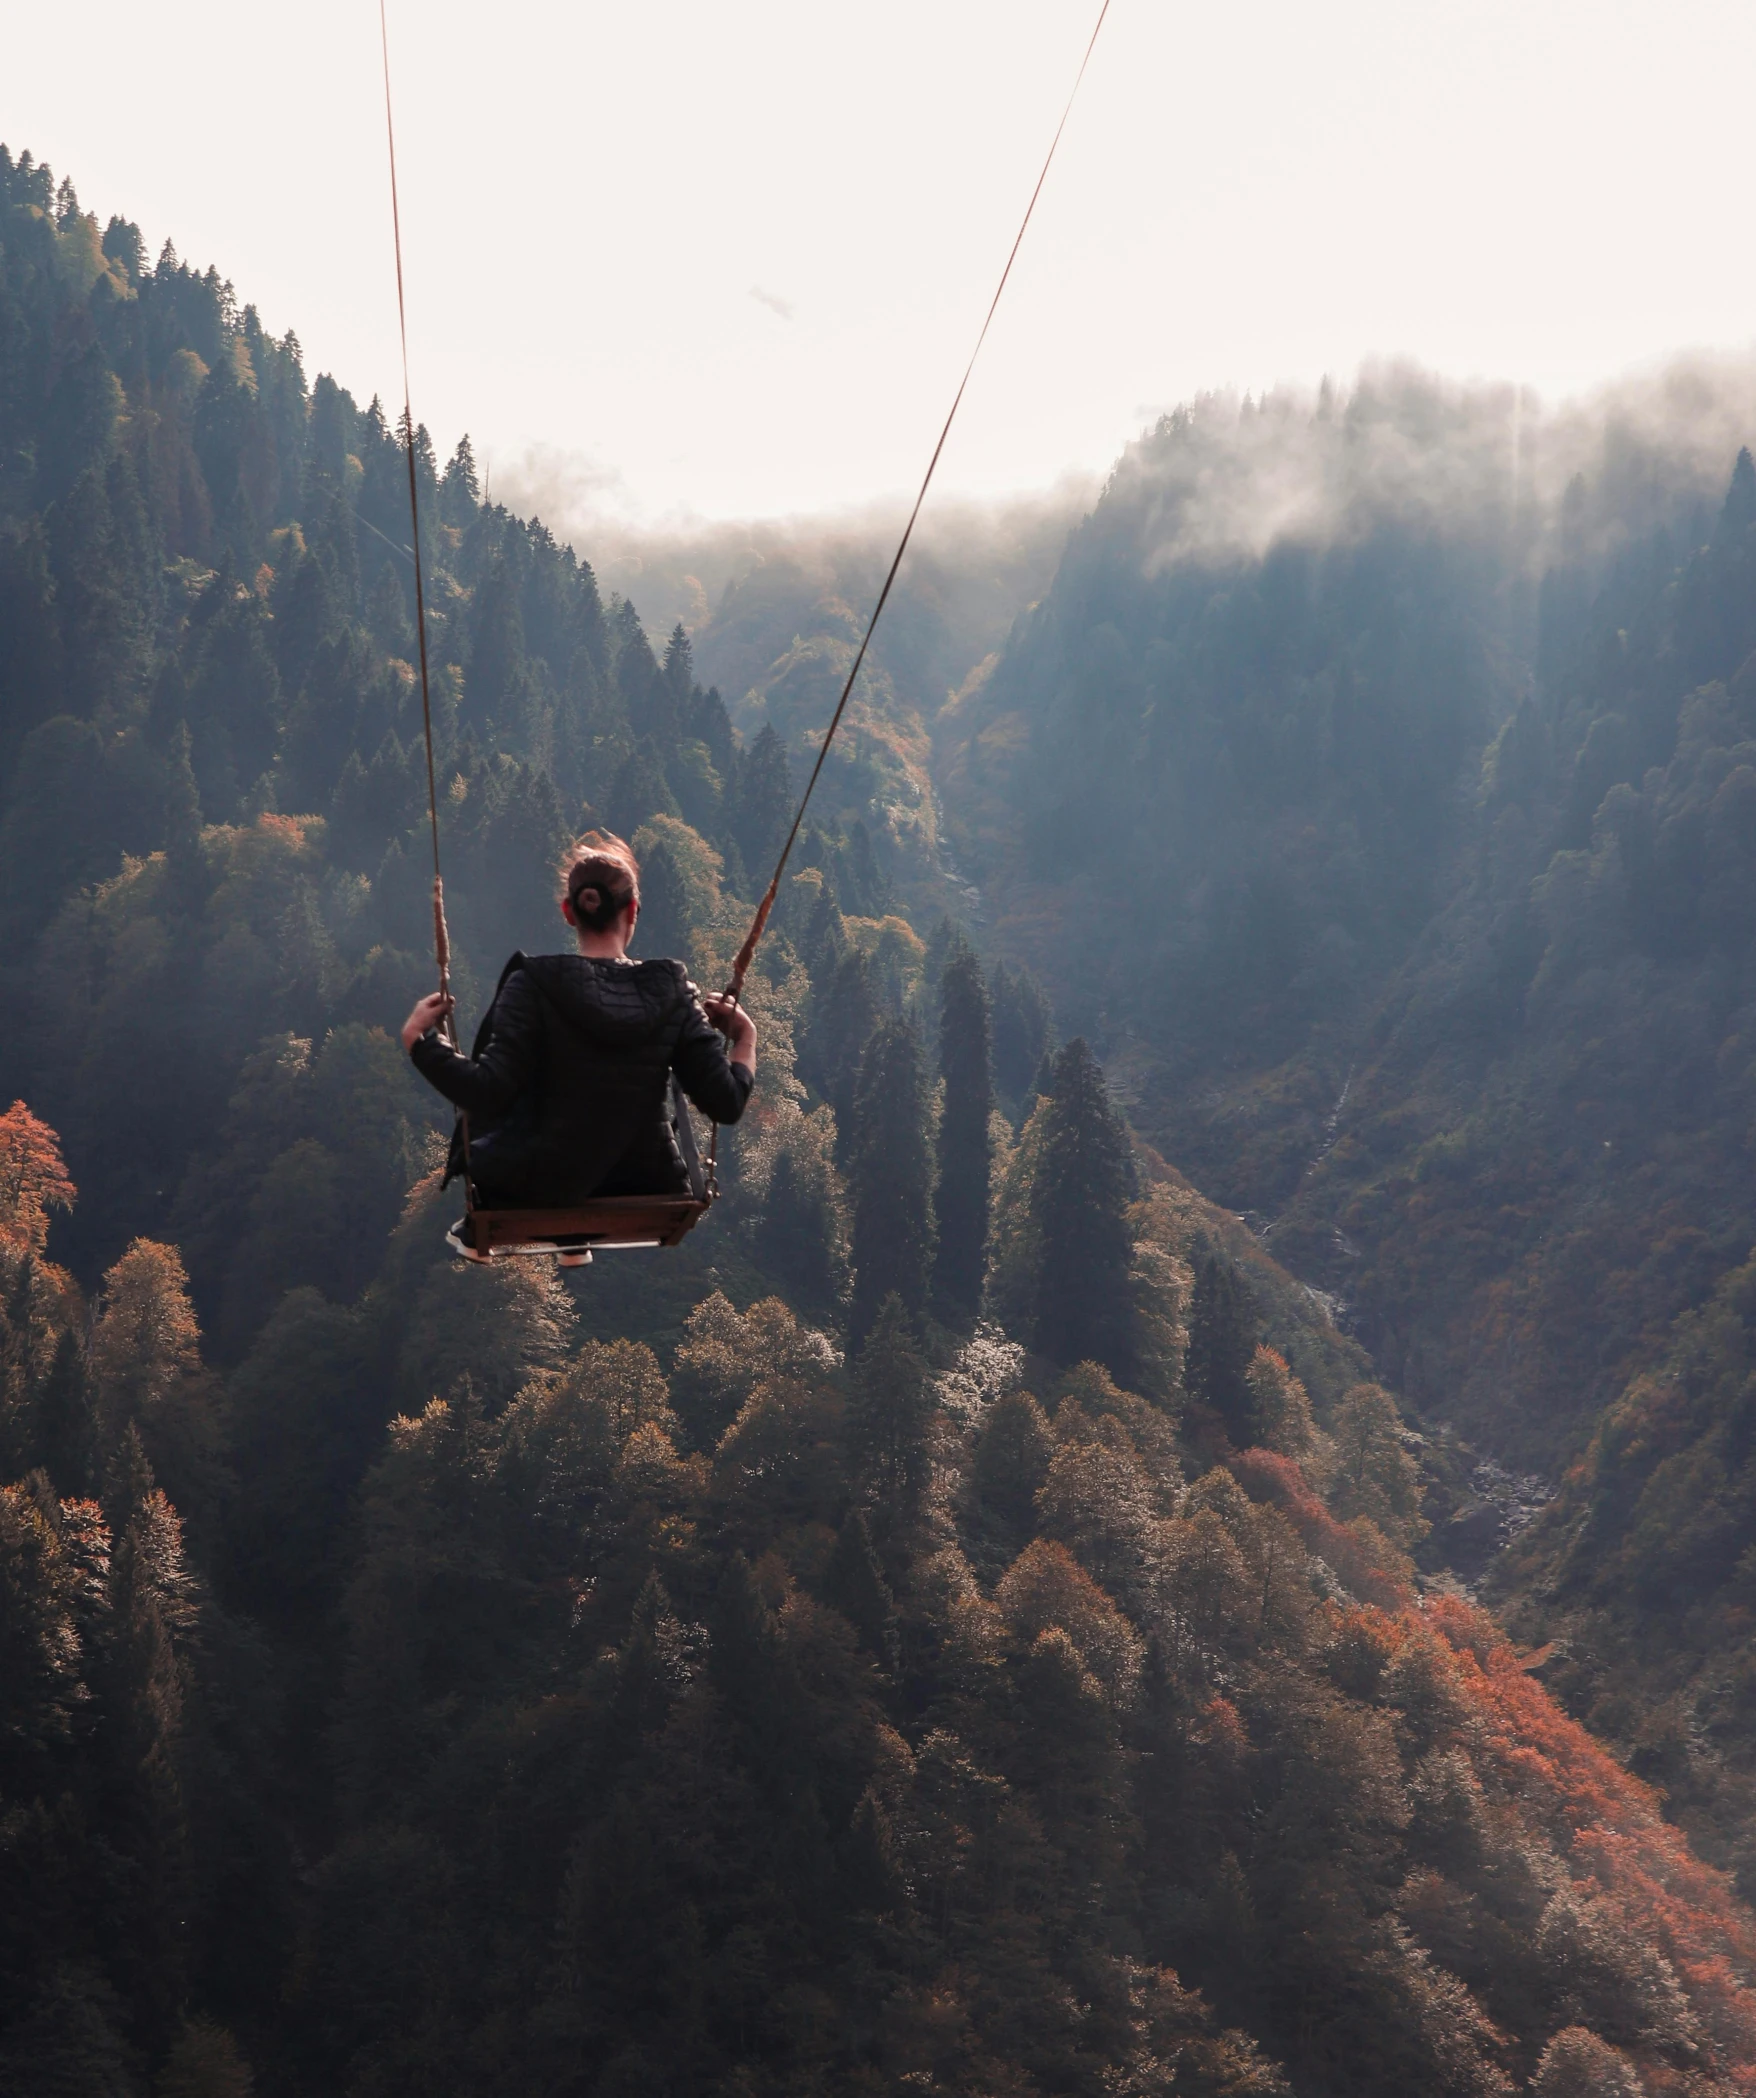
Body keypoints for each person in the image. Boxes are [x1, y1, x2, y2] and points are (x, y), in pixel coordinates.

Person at [400, 831, 756, 1222]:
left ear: (569, 912)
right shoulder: (673, 992)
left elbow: (487, 1092)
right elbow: (726, 1102)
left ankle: (568, 1232)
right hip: (646, 1180)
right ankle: (576, 1238)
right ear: (633, 910)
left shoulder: (533, 983)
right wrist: (744, 1037)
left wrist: (421, 1042)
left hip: (536, 1183)